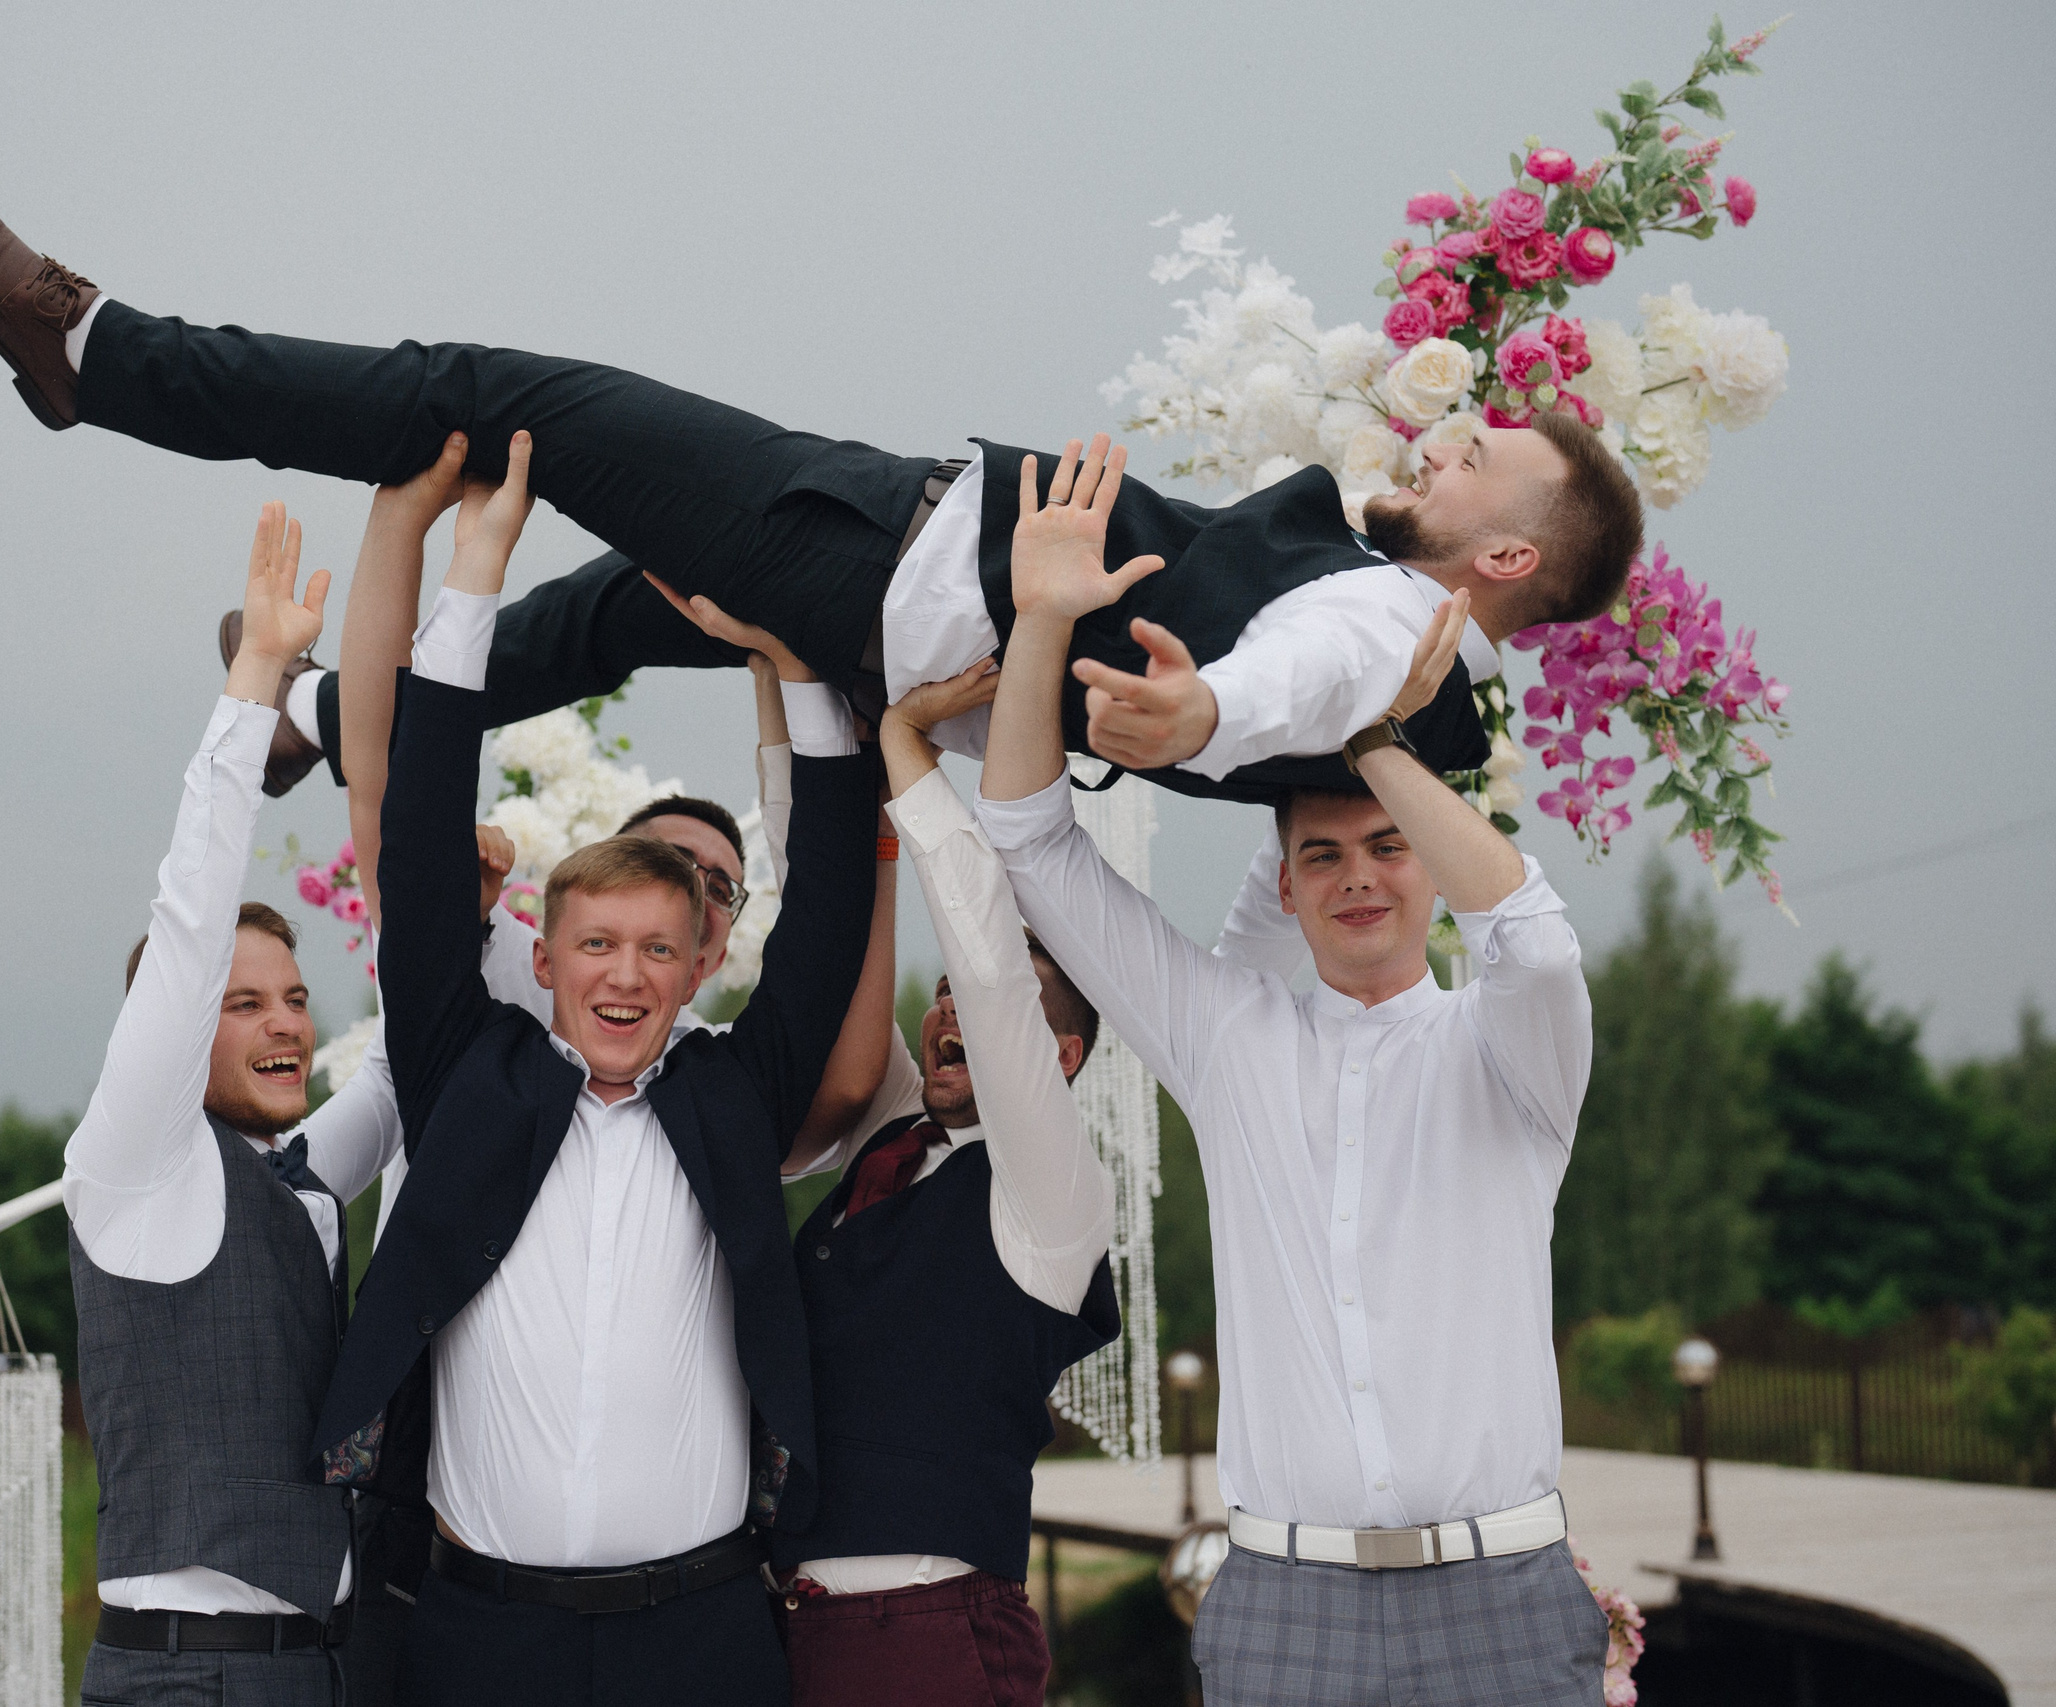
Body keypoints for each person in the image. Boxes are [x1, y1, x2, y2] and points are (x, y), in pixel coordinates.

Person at [0, 176, 1643, 806]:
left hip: (883, 566)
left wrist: (1194, 717)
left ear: (1502, 551)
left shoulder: (1381, 620)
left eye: (1482, 453)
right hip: (885, 569)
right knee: (615, 609)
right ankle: (315, 714)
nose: (1449, 431)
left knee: (495, 402)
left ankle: (106, 355)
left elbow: (1275, 692)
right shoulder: (1401, 635)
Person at [260, 435, 912, 1700]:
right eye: (598, 946)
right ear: (544, 959)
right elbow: (420, 837)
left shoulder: (735, 1094)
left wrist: (802, 652)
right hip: (477, 1634)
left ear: (696, 966)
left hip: (706, 1633)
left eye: (657, 950)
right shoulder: (465, 1069)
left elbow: (829, 907)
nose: (625, 976)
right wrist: (478, 575)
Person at [970, 455, 1606, 1703]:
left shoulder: (1511, 1050)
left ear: (1424, 864)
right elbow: (1030, 840)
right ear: (1287, 883)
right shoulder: (1229, 1039)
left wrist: (1372, 735)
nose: (1358, 877)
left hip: (1506, 1596)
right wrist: (1044, 618)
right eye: (1319, 856)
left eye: (1384, 848)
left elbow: (1530, 932)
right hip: (1280, 1599)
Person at [758, 652, 1118, 1707]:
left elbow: (997, 978)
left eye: (983, 994)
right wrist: (781, 681)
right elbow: (817, 920)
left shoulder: (1051, 1197)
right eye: (943, 992)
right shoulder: (890, 1139)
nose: (954, 1006)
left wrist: (908, 752)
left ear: (1057, 1059)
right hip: (780, 1626)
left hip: (929, 1637)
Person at [61, 504, 359, 1703]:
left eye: (292, 997)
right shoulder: (139, 1167)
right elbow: (190, 923)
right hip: (193, 1683)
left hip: (321, 1674)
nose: (286, 1021)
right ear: (180, 1035)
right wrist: (252, 691)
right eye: (244, 1007)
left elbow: (403, 1064)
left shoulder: (303, 1176)